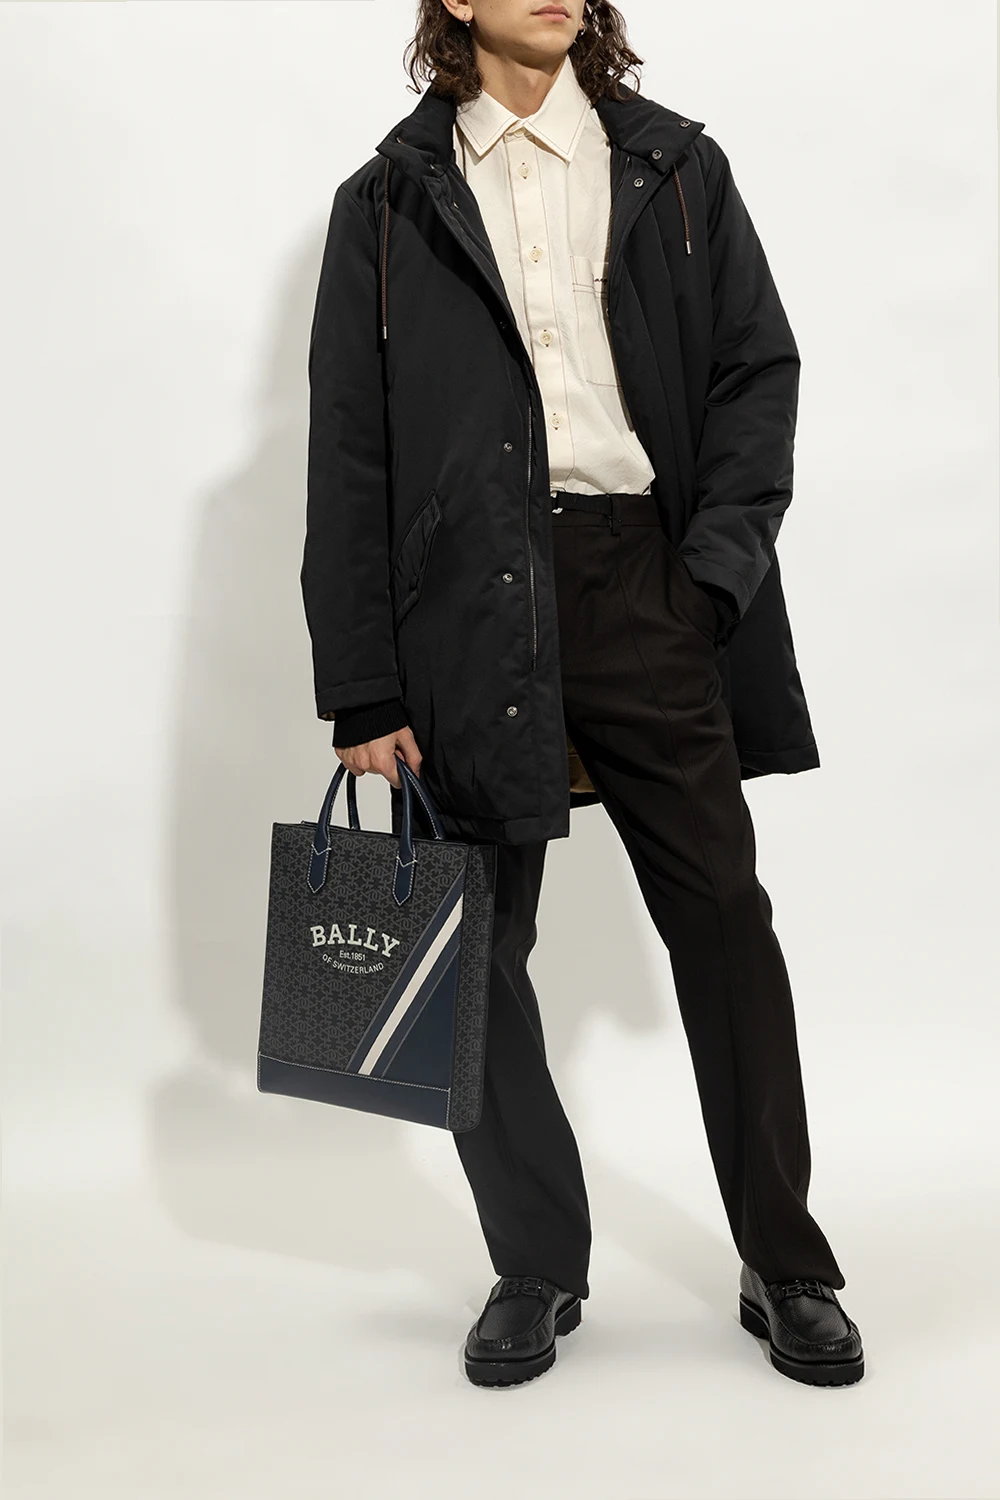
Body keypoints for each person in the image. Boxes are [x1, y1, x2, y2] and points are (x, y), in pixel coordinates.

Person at [300, 0, 865, 1389]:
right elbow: (350, 452)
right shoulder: (387, 203)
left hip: (642, 583)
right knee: (476, 948)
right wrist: (364, 684)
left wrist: (709, 580)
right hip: (468, 606)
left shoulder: (675, 167)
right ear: (453, 2)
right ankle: (537, 1263)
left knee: (725, 923)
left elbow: (757, 373)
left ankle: (787, 1261)